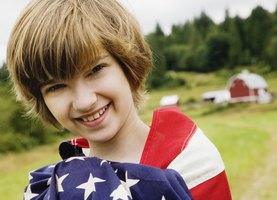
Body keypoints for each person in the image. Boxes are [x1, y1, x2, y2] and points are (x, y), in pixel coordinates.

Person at [7, 0, 232, 199]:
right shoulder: (53, 183)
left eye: (95, 69)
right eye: (56, 86)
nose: (84, 101)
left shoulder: (191, 162)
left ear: (128, 64)